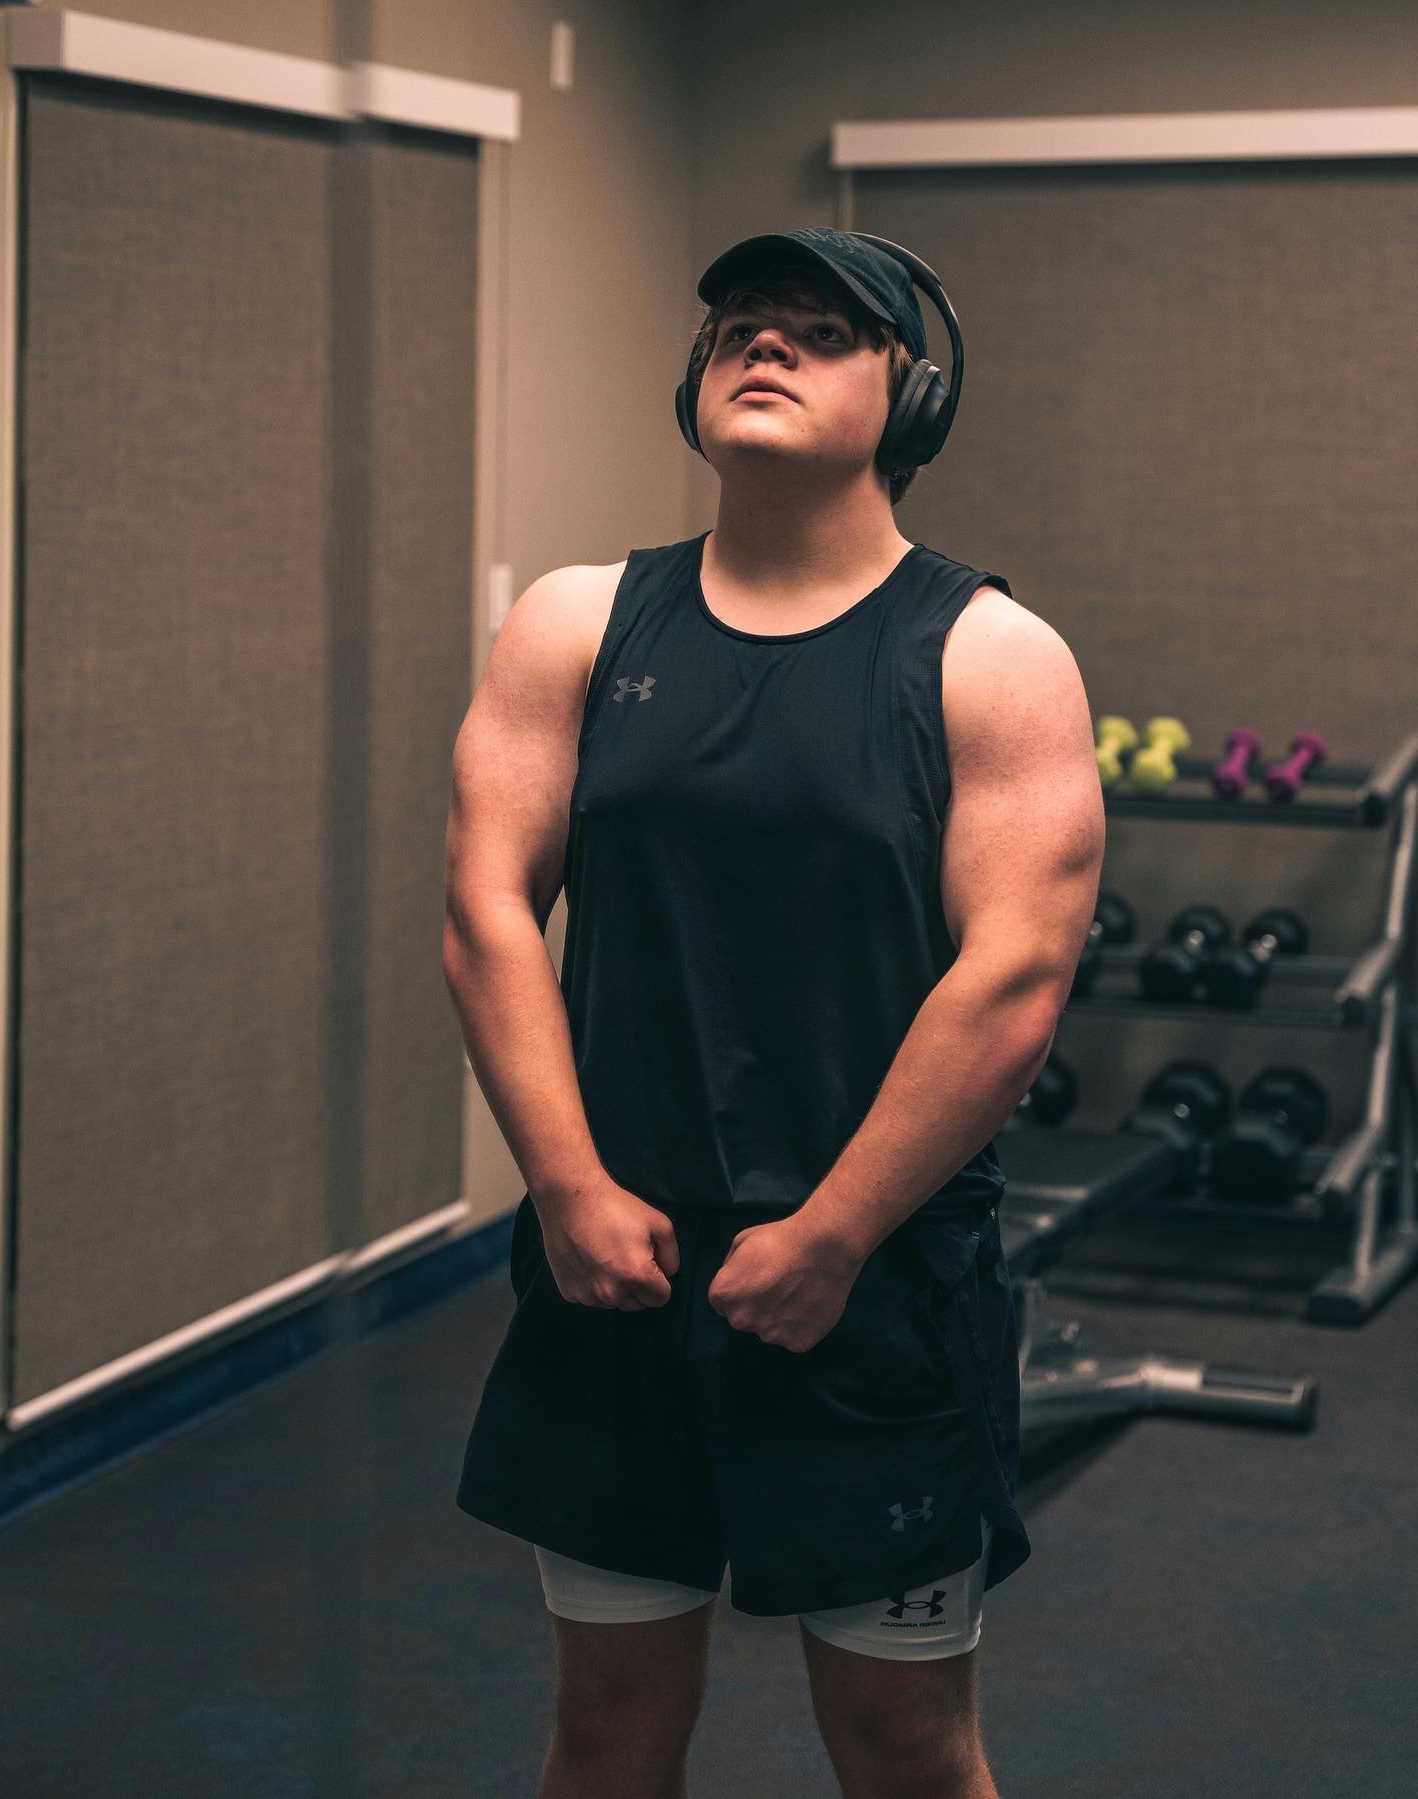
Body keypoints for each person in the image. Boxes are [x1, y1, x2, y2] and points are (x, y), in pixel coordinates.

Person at [444, 227, 1105, 1799]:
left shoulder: (991, 657)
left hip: (873, 1282)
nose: (766, 345)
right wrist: (565, 1186)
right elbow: (487, 907)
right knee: (606, 1732)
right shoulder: (577, 624)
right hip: (614, 1265)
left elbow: (1012, 978)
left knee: (904, 1748)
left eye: (820, 329)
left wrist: (832, 1236)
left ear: (914, 400)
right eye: (742, 323)